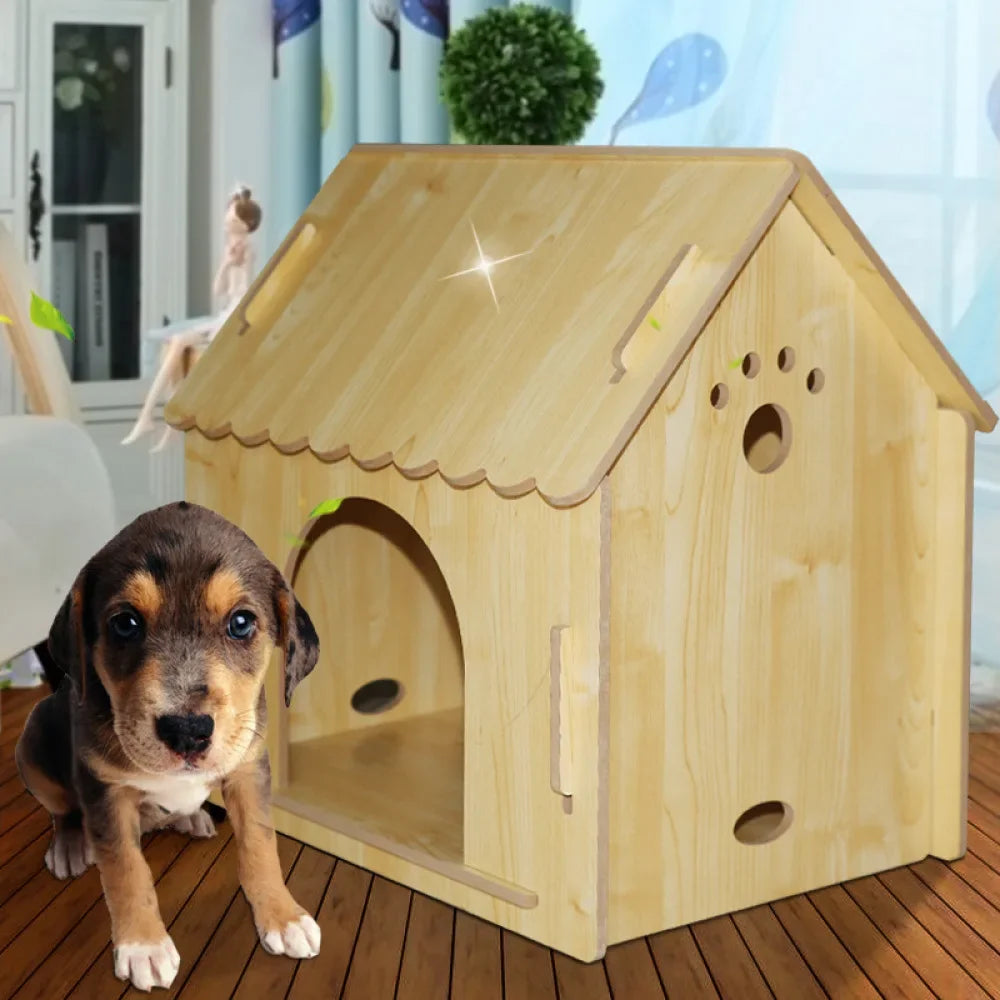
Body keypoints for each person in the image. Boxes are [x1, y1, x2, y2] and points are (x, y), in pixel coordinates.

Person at [121, 186, 262, 451]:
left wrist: (235, 263)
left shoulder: (247, 249)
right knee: (176, 347)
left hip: (234, 316)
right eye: (228, 219)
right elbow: (218, 290)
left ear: (246, 225)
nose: (226, 224)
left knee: (178, 344)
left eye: (232, 221)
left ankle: (155, 418)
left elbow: (242, 292)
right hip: (226, 312)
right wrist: (225, 263)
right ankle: (154, 418)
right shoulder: (231, 250)